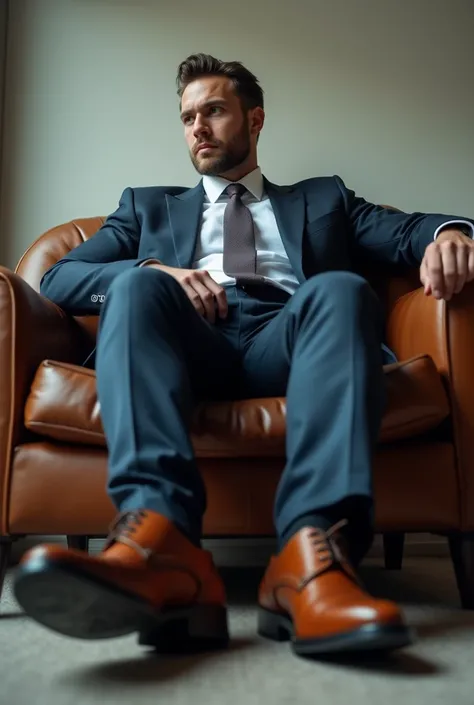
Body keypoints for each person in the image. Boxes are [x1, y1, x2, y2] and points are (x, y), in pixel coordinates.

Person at [14, 53, 474, 659]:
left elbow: (409, 229)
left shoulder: (324, 199)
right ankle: (162, 541)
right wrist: (157, 269)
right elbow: (61, 277)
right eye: (187, 117)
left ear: (254, 120)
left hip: (288, 337)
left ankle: (313, 555)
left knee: (340, 289)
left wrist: (450, 236)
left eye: (213, 111)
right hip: (187, 343)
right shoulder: (147, 207)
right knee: (134, 285)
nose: (197, 127)